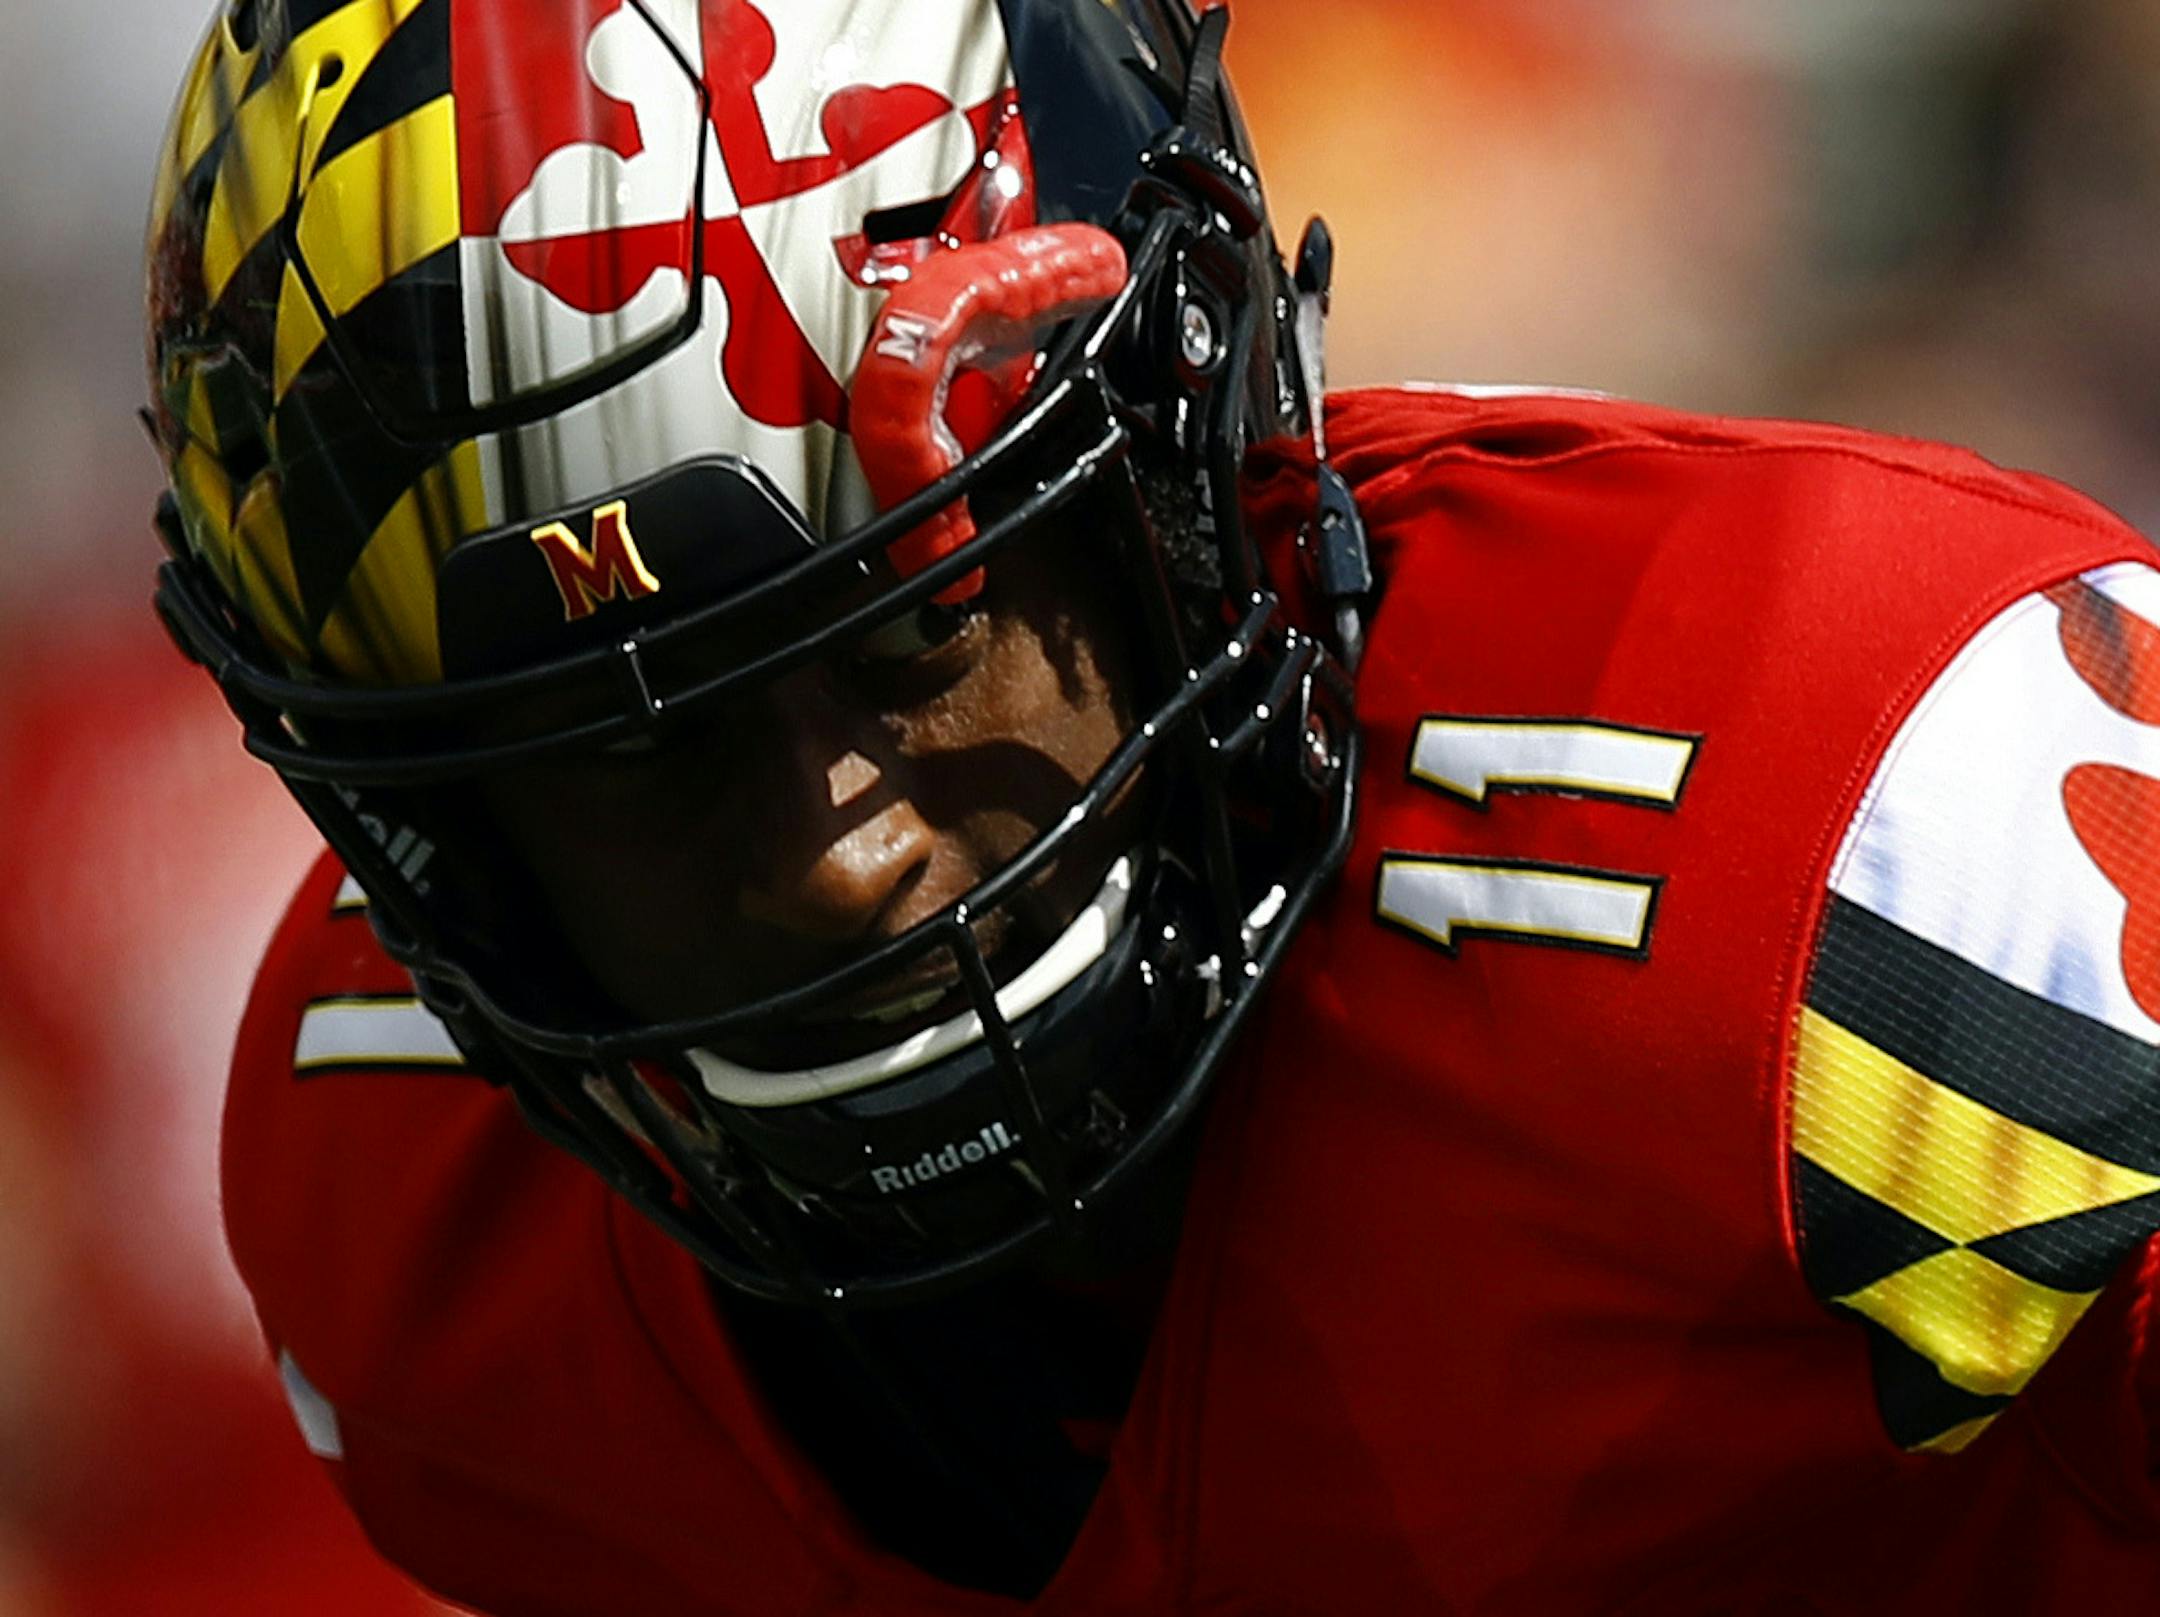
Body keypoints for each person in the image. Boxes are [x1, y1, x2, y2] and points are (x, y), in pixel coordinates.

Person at [143, 1, 2160, 1611]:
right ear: (444, 844)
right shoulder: (410, 1229)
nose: (843, 849)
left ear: (1179, 464)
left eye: (927, 617)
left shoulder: (1850, 820)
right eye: (624, 742)